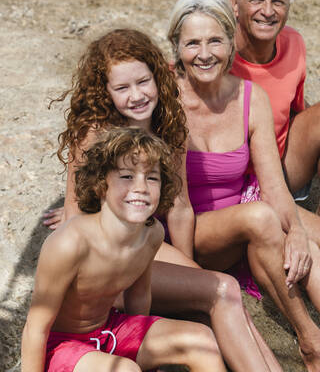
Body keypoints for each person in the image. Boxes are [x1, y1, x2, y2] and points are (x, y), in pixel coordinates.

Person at [43, 28, 281, 371]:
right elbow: (74, 212)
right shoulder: (95, 133)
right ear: (105, 92)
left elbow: (180, 206)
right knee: (218, 290)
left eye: (143, 82)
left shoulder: (169, 124)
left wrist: (186, 269)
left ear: (157, 75)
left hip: (145, 242)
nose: (137, 95)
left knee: (220, 290)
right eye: (123, 88)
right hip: (104, 261)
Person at [167, 0, 320, 371]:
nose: (205, 53)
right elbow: (178, 206)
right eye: (193, 43)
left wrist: (298, 231)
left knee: (308, 235)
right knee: (262, 218)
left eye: (215, 40)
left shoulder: (252, 97)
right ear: (177, 48)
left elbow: (273, 185)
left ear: (230, 43)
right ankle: (310, 341)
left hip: (246, 217)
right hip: (184, 234)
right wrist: (190, 280)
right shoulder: (167, 101)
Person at [22, 127, 226, 372]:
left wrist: (148, 359)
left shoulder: (152, 234)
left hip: (110, 330)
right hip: (61, 346)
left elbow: (138, 297)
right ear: (101, 184)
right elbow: (36, 328)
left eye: (152, 177)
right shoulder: (70, 242)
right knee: (125, 370)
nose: (141, 187)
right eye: (127, 176)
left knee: (201, 340)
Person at [230, 0, 319, 210]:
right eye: (257, 0)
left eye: (278, 1)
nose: (267, 11)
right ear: (235, 5)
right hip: (226, 179)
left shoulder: (294, 43)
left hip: (277, 170)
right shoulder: (215, 53)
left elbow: (295, 113)